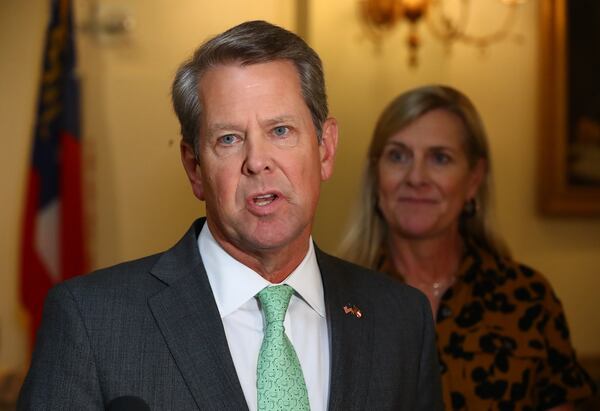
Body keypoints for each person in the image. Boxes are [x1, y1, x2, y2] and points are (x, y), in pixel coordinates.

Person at [18, 21, 443, 410]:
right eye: (229, 138)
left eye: (280, 131)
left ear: (325, 149)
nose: (257, 161)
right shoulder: (93, 323)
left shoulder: (401, 320)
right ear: (194, 167)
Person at [340, 85, 596, 410]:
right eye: (398, 155)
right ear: (376, 176)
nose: (416, 177)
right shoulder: (339, 300)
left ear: (474, 178)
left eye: (440, 158)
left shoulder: (527, 298)